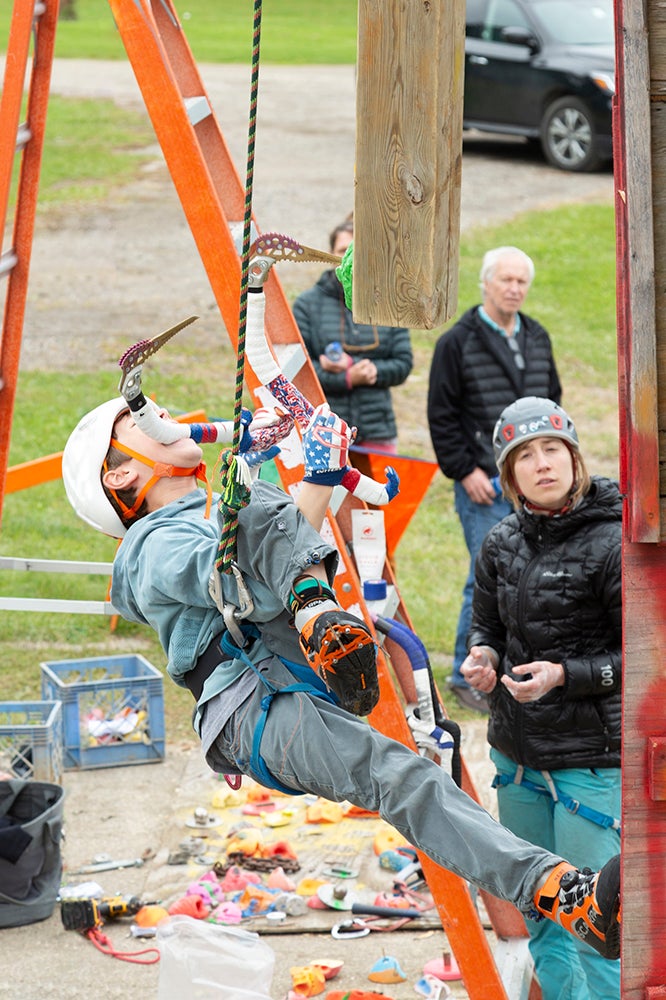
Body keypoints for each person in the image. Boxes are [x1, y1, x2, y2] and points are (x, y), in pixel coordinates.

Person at [61, 392, 621, 966]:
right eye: (140, 422)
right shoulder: (153, 544)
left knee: (262, 506)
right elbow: (230, 583)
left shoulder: (223, 505)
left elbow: (283, 537)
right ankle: (562, 893)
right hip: (253, 704)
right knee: (404, 781)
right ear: (124, 472)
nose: (167, 418)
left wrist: (320, 476)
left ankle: (317, 618)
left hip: (286, 673)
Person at [461, 396, 622, 999]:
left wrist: (563, 674)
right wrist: (484, 658)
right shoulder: (500, 541)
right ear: (510, 475)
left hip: (588, 764)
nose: (542, 463)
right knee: (538, 912)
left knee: (597, 929)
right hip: (517, 759)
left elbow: (641, 659)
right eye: (525, 455)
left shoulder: (615, 541)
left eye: (553, 449)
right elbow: (487, 628)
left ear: (574, 457)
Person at [427, 246, 562, 714]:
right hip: (483, 484)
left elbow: (553, 408)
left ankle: (519, 664)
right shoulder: (456, 342)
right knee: (483, 577)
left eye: (521, 281)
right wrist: (465, 471)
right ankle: (467, 676)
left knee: (534, 576)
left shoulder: (538, 336)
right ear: (485, 283)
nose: (514, 289)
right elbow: (441, 416)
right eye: (505, 280)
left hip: (531, 487)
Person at [293, 217, 413, 455]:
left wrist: (368, 371)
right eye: (342, 251)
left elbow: (403, 362)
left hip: (378, 430)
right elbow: (299, 372)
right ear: (329, 254)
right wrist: (347, 378)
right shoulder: (307, 305)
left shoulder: (391, 302)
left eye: (357, 252)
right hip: (325, 432)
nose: (349, 260)